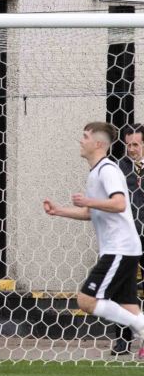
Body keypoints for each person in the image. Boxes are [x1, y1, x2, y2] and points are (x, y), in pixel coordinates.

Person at [44, 122, 144, 363]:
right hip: (124, 247)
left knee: (86, 300)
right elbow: (90, 213)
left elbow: (119, 203)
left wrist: (88, 201)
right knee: (128, 305)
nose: (81, 141)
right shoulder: (96, 172)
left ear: (98, 143)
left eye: (85, 137)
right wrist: (59, 211)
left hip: (120, 248)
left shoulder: (108, 170)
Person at [112, 123, 144, 356]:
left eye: (135, 144)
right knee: (123, 288)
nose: (131, 149)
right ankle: (123, 341)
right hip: (127, 237)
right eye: (128, 145)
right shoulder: (118, 168)